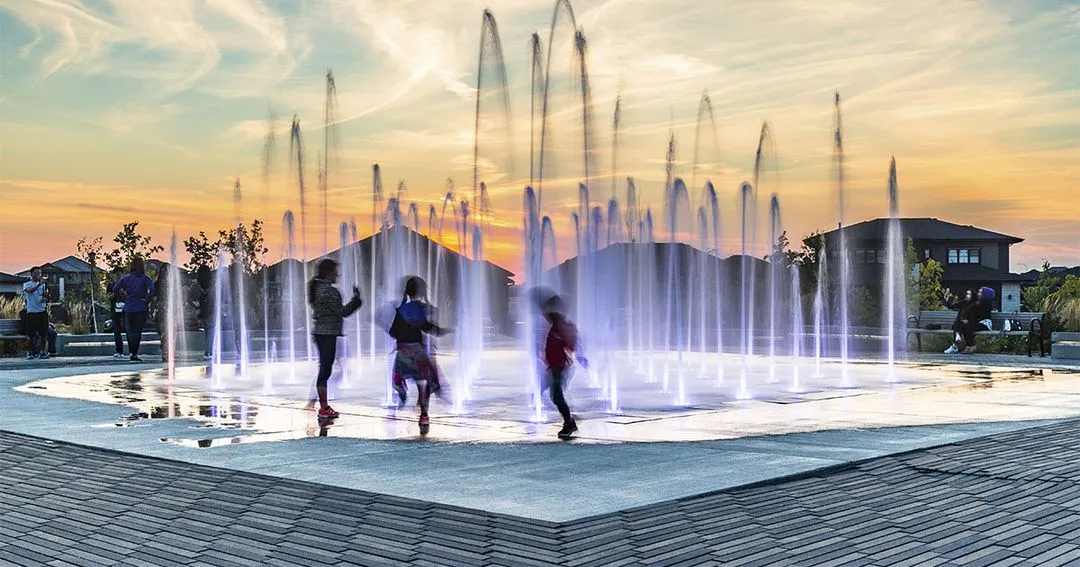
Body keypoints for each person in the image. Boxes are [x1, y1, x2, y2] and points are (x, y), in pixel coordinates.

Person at [388, 276, 450, 435]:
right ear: (422, 292)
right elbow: (427, 326)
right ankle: (424, 414)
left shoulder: (403, 309)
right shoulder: (419, 309)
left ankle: (399, 404)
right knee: (425, 382)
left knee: (409, 380)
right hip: (417, 352)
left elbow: (393, 331)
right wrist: (442, 331)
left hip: (403, 352)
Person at [308, 259, 362, 420]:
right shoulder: (329, 291)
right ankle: (323, 407)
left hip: (321, 333)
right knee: (326, 369)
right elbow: (342, 312)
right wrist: (357, 300)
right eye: (335, 271)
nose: (338, 275)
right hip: (327, 333)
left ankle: (318, 402)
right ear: (328, 272)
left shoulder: (317, 289)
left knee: (326, 367)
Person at [540, 294, 586, 439]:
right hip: (554, 367)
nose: (546, 315)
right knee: (553, 395)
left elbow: (571, 346)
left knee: (557, 396)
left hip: (559, 367)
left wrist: (580, 355)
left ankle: (569, 423)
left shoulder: (562, 327)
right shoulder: (555, 326)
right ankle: (569, 419)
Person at [112, 257, 155, 362]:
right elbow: (153, 289)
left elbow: (115, 289)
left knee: (130, 332)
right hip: (141, 306)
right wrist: (147, 300)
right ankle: (134, 354)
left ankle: (132, 352)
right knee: (137, 331)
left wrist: (124, 298)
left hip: (129, 307)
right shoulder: (145, 278)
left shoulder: (126, 279)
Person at [946, 286, 995, 355]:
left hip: (985, 324)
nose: (979, 293)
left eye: (981, 292)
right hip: (978, 323)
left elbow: (977, 315)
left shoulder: (984, 304)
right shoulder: (977, 302)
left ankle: (970, 346)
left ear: (985, 295)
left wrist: (968, 320)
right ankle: (969, 346)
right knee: (965, 325)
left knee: (966, 326)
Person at [22, 267, 49, 360]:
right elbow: (30, 291)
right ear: (31, 274)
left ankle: (42, 352)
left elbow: (46, 296)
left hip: (42, 311)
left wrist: (46, 295)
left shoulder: (43, 285)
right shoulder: (27, 284)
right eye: (36, 273)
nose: (38, 275)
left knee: (43, 334)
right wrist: (39, 285)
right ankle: (30, 352)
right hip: (32, 313)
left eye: (40, 273)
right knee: (31, 335)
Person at [189, 266, 211, 360]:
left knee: (208, 332)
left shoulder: (196, 286)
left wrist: (196, 307)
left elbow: (188, 298)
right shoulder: (213, 284)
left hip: (203, 312)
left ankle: (208, 352)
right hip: (212, 311)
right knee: (211, 332)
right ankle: (209, 352)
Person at [942, 289, 974, 354]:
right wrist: (946, 299)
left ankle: (955, 342)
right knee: (958, 320)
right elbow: (951, 306)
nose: (967, 296)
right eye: (967, 294)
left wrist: (968, 321)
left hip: (968, 325)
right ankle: (957, 336)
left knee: (959, 321)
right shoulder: (963, 302)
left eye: (969, 294)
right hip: (960, 323)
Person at [107, 267, 126, 358]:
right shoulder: (111, 285)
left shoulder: (126, 284)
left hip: (126, 309)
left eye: (120, 274)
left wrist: (123, 293)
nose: (118, 276)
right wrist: (115, 293)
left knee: (128, 329)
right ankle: (119, 350)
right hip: (115, 309)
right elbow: (108, 297)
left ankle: (132, 351)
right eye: (116, 274)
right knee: (117, 330)